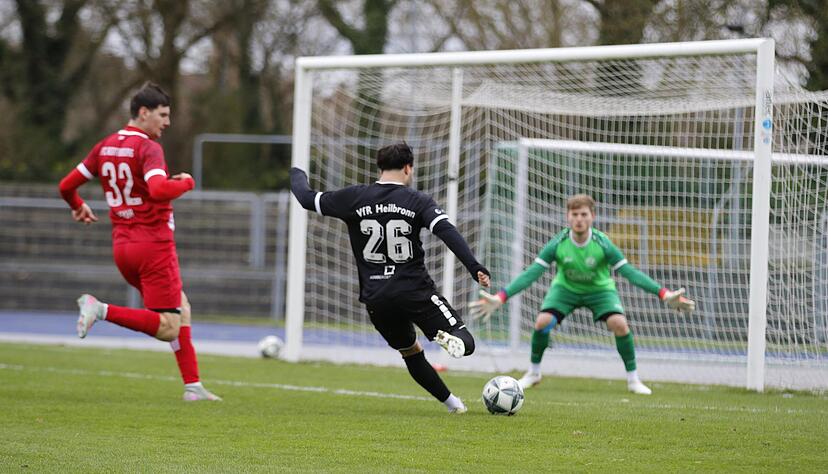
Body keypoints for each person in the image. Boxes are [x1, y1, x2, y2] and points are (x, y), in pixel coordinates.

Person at [290, 142, 491, 413]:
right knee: (465, 340)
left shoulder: (354, 197)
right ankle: (448, 339)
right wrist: (473, 266)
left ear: (379, 167)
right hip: (414, 291)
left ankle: (454, 405)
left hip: (377, 297)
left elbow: (305, 198)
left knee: (410, 351)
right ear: (408, 168)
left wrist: (295, 171)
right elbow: (446, 231)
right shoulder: (417, 201)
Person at [57, 82, 220, 402]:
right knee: (169, 325)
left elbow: (66, 185)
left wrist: (78, 206)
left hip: (123, 248)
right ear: (143, 113)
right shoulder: (147, 148)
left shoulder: (104, 146)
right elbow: (159, 190)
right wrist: (186, 182)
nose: (167, 122)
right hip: (154, 246)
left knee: (180, 308)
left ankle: (193, 386)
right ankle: (99, 309)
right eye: (163, 114)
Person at [471, 194, 695, 395]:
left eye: (584, 214)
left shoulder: (602, 243)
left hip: (600, 290)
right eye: (575, 214)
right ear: (568, 217)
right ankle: (534, 372)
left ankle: (633, 379)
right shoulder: (558, 242)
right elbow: (532, 273)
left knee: (619, 324)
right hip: (565, 289)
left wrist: (664, 294)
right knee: (543, 323)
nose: (579, 218)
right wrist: (501, 297)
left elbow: (630, 272)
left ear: (592, 216)